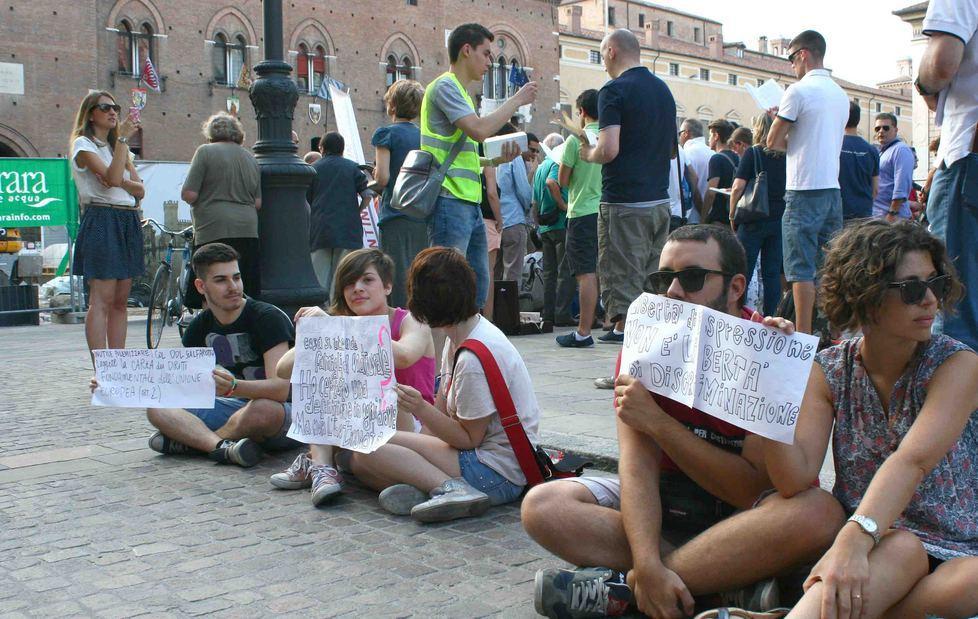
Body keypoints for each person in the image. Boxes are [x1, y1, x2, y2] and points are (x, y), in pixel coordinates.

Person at [524, 225, 843, 619]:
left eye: (691, 278)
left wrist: (659, 424)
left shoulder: (765, 349)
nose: (673, 292)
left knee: (820, 513)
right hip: (670, 500)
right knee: (544, 505)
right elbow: (637, 467)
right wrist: (646, 560)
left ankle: (629, 591)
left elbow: (748, 488)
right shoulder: (646, 344)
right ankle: (720, 586)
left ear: (735, 287)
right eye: (663, 279)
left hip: (745, 514)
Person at [763, 220, 978, 619]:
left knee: (969, 581)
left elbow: (913, 460)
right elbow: (794, 478)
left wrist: (854, 538)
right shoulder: (830, 369)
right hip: (875, 544)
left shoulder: (957, 364)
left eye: (936, 283)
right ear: (865, 295)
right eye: (911, 289)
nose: (930, 299)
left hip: (949, 548)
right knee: (903, 547)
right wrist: (770, 386)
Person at [340, 247, 541, 523]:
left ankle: (453, 490)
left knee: (371, 446)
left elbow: (469, 439)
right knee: (362, 458)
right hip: (478, 457)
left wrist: (419, 408)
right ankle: (426, 489)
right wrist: (411, 445)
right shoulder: (459, 335)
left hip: (496, 473)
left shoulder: (472, 357)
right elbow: (443, 414)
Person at [270, 248, 436, 504]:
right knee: (323, 375)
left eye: (367, 280)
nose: (357, 288)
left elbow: (404, 356)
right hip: (361, 424)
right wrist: (320, 331)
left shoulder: (411, 321)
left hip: (408, 421)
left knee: (361, 390)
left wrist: (336, 328)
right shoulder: (343, 326)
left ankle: (320, 462)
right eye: (349, 283)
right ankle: (323, 468)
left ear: (387, 286)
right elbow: (283, 369)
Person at [143, 243, 297, 467]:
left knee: (263, 409)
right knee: (157, 407)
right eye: (221, 280)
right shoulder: (198, 328)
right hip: (236, 407)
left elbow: (281, 390)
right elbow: (185, 385)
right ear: (201, 286)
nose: (233, 287)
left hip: (286, 412)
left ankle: (196, 443)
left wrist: (234, 387)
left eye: (236, 277)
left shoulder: (267, 318)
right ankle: (221, 447)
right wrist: (115, 384)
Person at [421, 23, 537, 310]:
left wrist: (495, 161)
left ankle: (466, 338)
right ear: (466, 50)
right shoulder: (445, 86)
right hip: (449, 198)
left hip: (467, 202)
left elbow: (467, 153)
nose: (489, 62)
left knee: (476, 287)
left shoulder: (459, 92)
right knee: (449, 287)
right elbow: (480, 130)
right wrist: (516, 100)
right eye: (485, 54)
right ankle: (444, 340)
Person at [579, 29, 676, 344]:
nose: (603, 64)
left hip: (624, 203)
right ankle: (648, 355)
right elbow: (672, 150)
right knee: (652, 284)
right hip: (659, 201)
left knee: (623, 284)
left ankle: (627, 353)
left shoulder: (613, 90)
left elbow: (608, 149)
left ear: (611, 51)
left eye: (602, 55)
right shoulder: (663, 90)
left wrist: (588, 153)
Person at [767, 30, 849, 335]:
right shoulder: (840, 95)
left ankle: (802, 337)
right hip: (832, 189)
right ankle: (834, 335)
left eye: (791, 59)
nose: (791, 66)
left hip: (803, 188)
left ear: (803, 54)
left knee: (799, 267)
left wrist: (778, 120)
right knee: (829, 266)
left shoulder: (797, 91)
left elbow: (773, 142)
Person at [917, 0, 977, 351]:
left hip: (969, 158)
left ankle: (958, 389)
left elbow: (941, 63)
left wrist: (923, 83)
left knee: (956, 308)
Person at [69, 91, 145, 355]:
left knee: (121, 301)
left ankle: (118, 365)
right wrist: (122, 143)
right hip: (102, 216)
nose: (113, 112)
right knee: (101, 299)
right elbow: (112, 179)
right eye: (105, 107)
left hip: (127, 218)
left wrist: (119, 179)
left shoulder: (117, 148)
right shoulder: (84, 145)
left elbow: (139, 189)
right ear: (90, 114)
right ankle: (102, 368)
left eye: (115, 107)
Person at [182, 112, 262, 300]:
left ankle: (213, 318)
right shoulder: (251, 158)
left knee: (212, 285)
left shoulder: (205, 152)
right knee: (242, 286)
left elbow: (189, 194)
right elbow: (258, 203)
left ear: (210, 133)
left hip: (213, 228)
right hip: (247, 229)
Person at [372, 79, 425, 308]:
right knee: (419, 274)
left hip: (394, 214)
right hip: (422, 214)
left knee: (395, 275)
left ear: (392, 105)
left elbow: (382, 178)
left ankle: (400, 323)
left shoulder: (386, 134)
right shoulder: (424, 136)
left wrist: (373, 177)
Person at [556, 89, 603, 347]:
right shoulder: (609, 138)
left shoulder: (576, 140)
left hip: (582, 210)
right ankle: (612, 324)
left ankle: (583, 331)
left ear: (582, 112)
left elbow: (563, 180)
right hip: (606, 210)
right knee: (604, 270)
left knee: (585, 272)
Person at [730, 114, 787, 316]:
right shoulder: (787, 155)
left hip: (753, 218)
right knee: (772, 273)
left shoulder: (753, 153)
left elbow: (737, 187)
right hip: (779, 218)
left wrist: (732, 215)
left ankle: (738, 313)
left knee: (743, 268)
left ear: (758, 130)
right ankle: (772, 317)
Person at [306, 132, 372, 299]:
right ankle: (339, 307)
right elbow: (367, 195)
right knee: (343, 275)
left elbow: (306, 200)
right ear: (342, 149)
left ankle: (320, 307)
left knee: (319, 276)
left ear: (321, 148)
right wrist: (358, 211)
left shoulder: (313, 169)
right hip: (348, 229)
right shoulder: (352, 168)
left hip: (320, 229)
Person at [533, 133, 575, 326]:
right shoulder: (557, 163)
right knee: (564, 271)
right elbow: (552, 182)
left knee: (549, 273)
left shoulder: (540, 167)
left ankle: (548, 313)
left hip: (545, 226)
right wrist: (564, 206)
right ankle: (562, 314)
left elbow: (535, 201)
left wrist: (538, 224)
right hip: (560, 224)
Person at [496, 131, 538, 282]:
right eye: (532, 150)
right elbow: (523, 191)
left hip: (495, 221)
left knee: (495, 273)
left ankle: (493, 299)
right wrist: (529, 208)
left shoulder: (495, 156)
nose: (534, 155)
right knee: (513, 274)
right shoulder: (516, 158)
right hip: (513, 220)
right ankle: (510, 299)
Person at [838, 101, 880, 223]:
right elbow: (875, 189)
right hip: (864, 213)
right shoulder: (872, 150)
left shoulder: (834, 146)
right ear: (858, 119)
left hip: (839, 212)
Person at [872, 112, 916, 221]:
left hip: (892, 218)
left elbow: (902, 185)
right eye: (877, 129)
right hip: (879, 215)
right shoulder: (882, 152)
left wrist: (892, 213)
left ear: (896, 130)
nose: (881, 131)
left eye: (885, 128)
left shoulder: (900, 150)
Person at [703, 119, 740, 225]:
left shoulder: (716, 159)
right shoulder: (737, 157)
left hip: (719, 217)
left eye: (710, 135)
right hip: (734, 216)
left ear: (716, 136)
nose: (708, 139)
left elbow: (711, 192)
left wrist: (703, 218)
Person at [681, 119, 713, 224]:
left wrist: (702, 214)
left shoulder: (685, 153)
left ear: (686, 133)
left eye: (680, 133)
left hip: (691, 217)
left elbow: (692, 185)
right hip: (710, 216)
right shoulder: (713, 153)